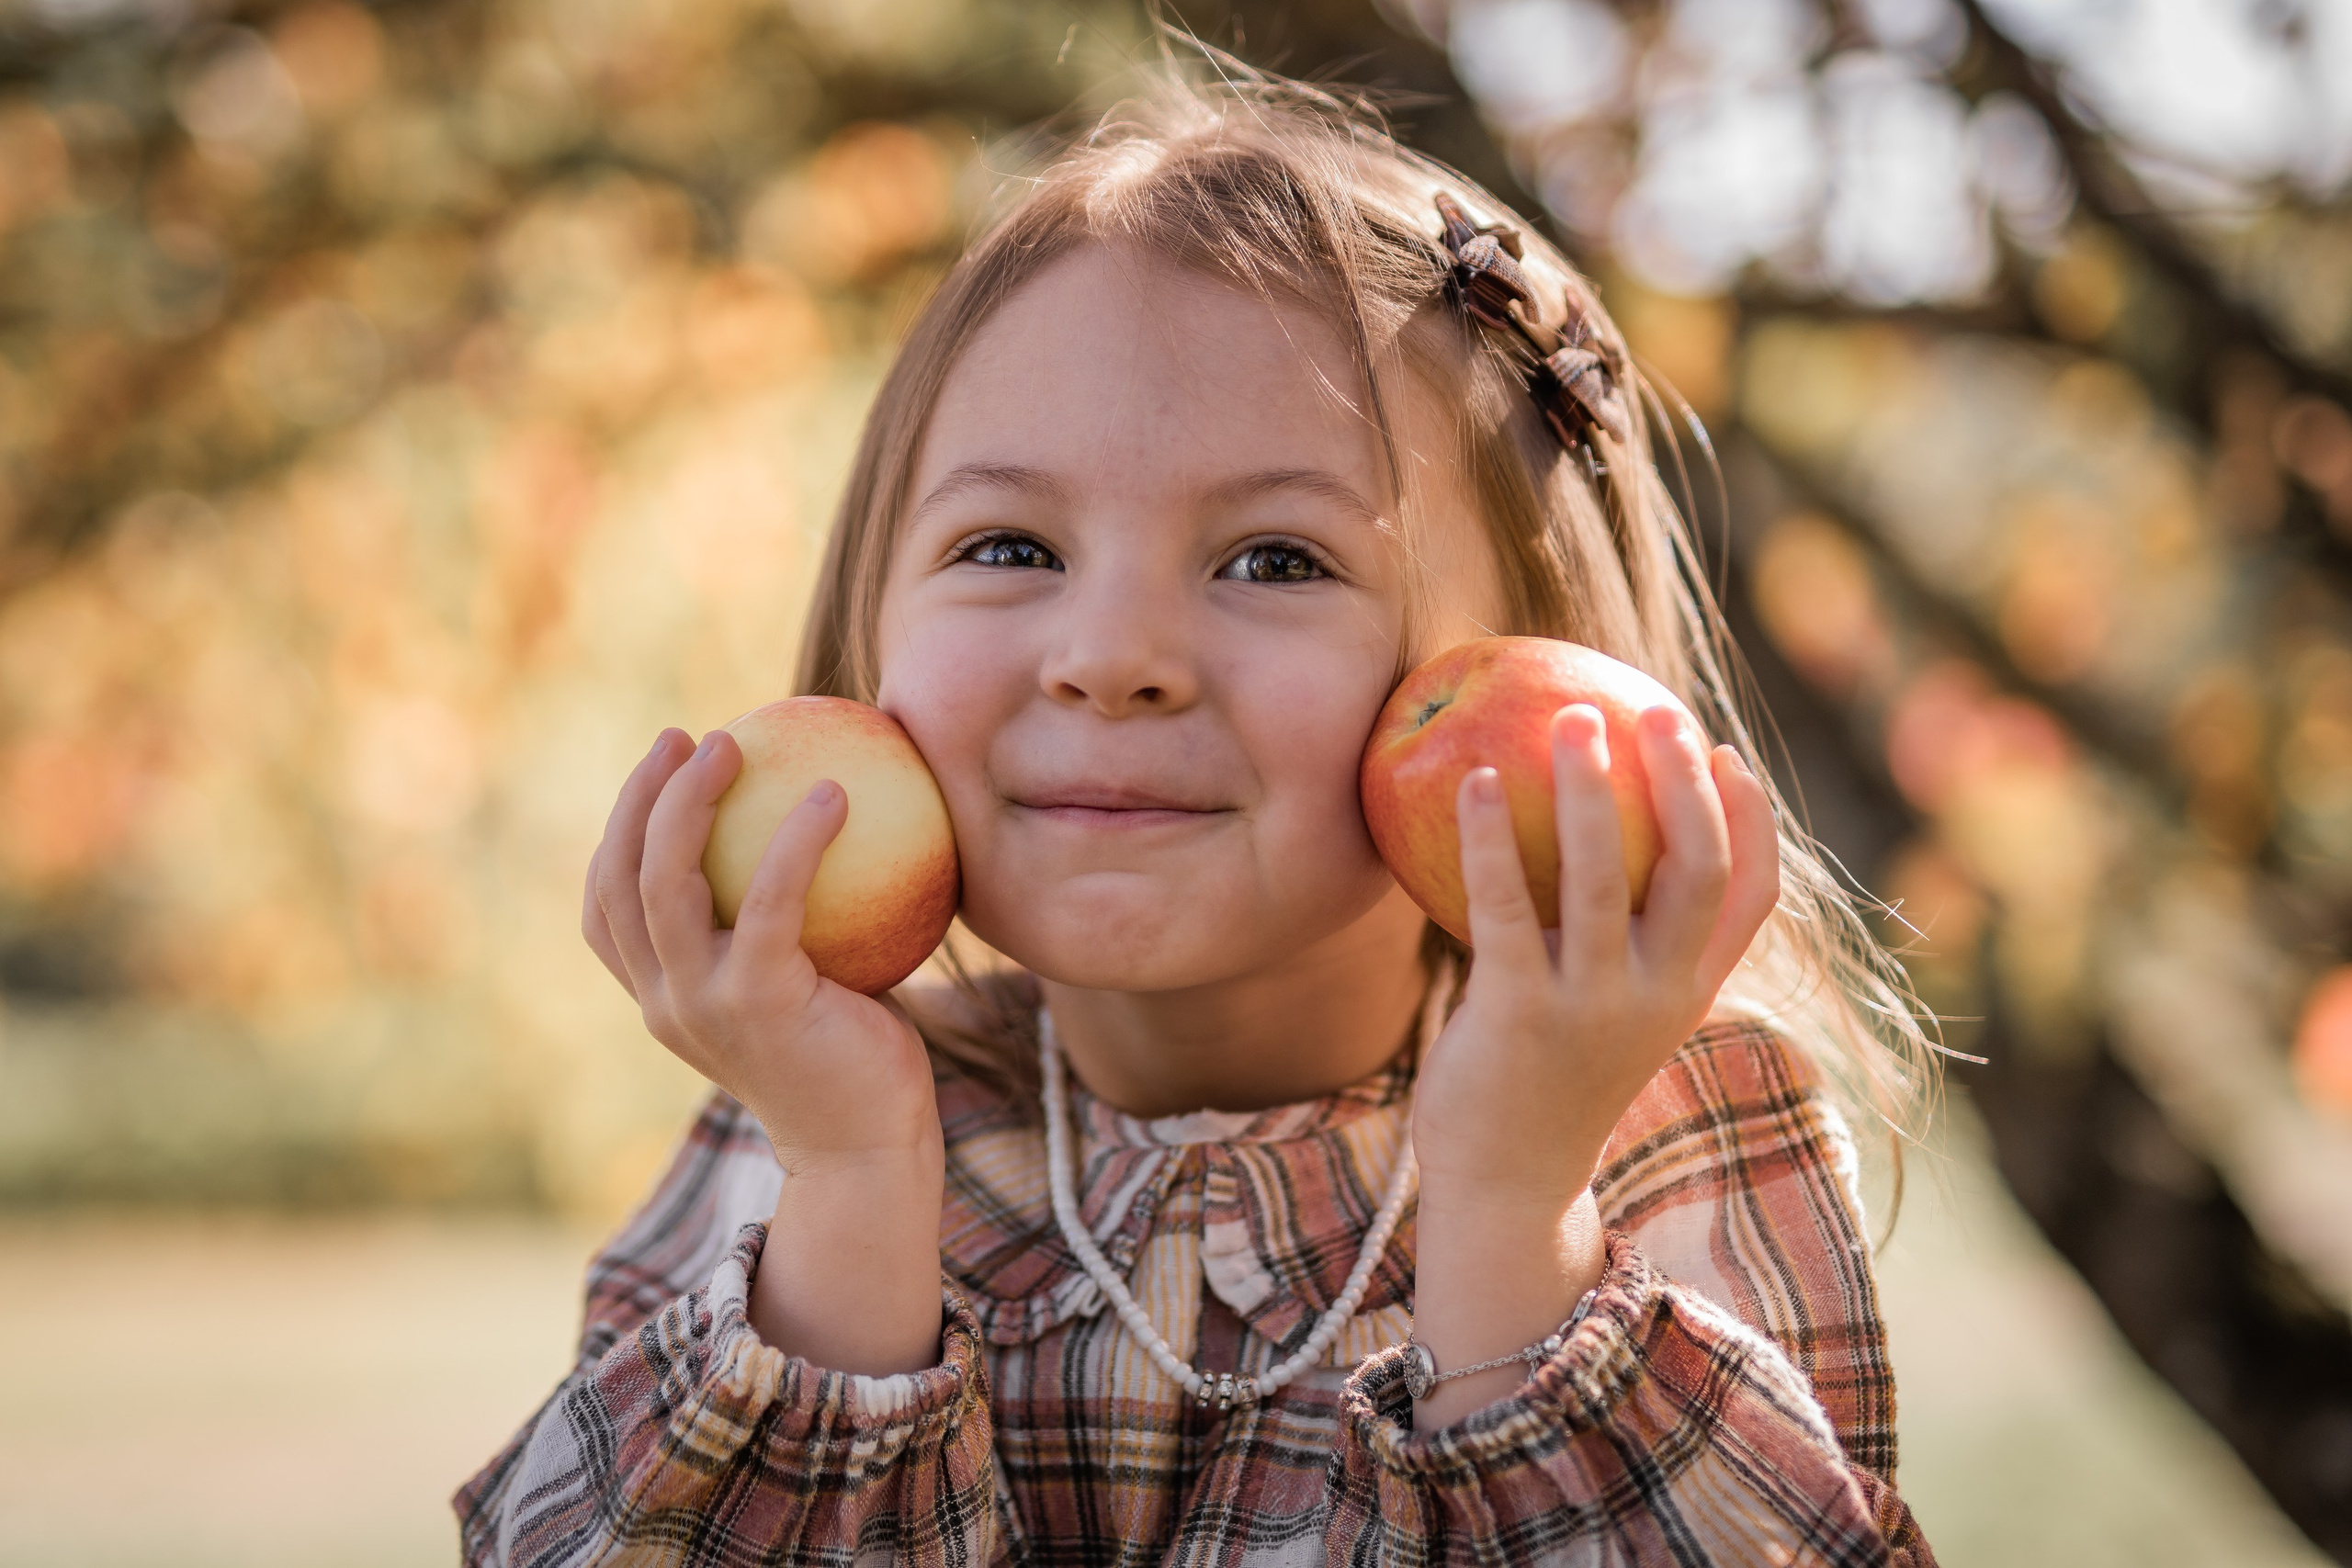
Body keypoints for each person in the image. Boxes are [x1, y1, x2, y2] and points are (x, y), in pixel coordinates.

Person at [457, 61, 1940, 1567]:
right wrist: (851, 1189)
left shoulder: (1657, 1129)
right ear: (871, 627)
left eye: (1277, 562)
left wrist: (1509, 1203)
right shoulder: (803, 1118)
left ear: (1525, 658)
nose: (1110, 659)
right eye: (1011, 543)